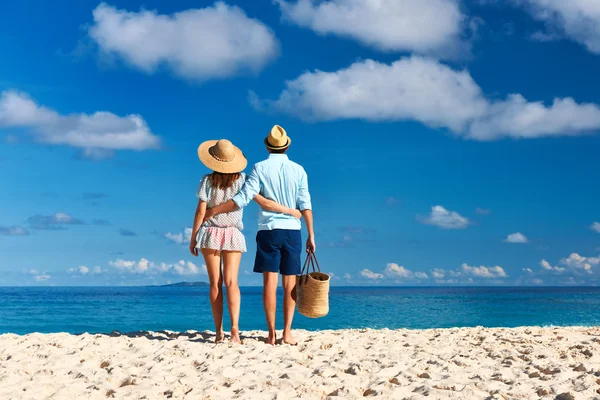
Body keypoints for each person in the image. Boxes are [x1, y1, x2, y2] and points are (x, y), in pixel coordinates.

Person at [204, 125, 315, 345]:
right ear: (287, 146)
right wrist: (311, 234)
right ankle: (288, 333)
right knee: (290, 284)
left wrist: (213, 211)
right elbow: (305, 204)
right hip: (293, 231)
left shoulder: (259, 168)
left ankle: (271, 334)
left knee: (269, 284)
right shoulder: (299, 170)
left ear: (267, 145)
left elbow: (243, 198)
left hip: (268, 231)